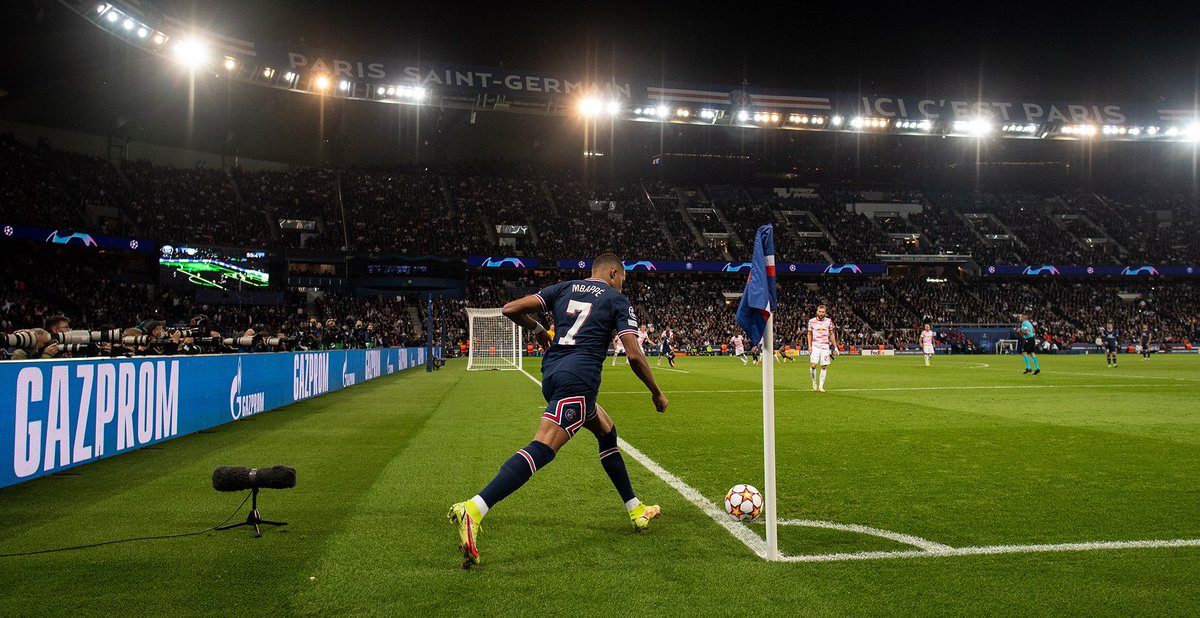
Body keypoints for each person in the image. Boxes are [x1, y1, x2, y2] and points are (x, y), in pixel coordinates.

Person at [448, 254, 670, 568]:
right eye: (623, 278)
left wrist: (539, 327)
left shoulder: (564, 287)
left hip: (552, 375)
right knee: (543, 446)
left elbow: (510, 309)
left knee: (607, 431)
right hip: (579, 380)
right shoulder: (617, 299)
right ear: (613, 272)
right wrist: (656, 392)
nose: (623, 284)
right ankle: (475, 508)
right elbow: (634, 355)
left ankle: (635, 509)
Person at [807, 305, 838, 392]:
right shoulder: (811, 321)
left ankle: (821, 386)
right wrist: (809, 346)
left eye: (823, 312)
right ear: (817, 312)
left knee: (823, 366)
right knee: (813, 365)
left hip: (825, 346)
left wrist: (835, 347)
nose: (821, 313)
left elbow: (831, 334)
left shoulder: (829, 321)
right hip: (815, 346)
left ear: (825, 312)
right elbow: (809, 334)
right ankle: (814, 382)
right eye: (820, 312)